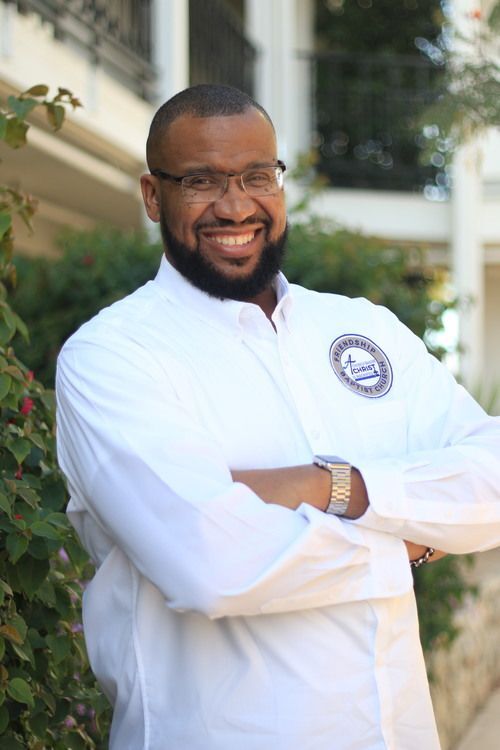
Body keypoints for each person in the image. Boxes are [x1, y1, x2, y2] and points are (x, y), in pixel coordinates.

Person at [55, 83, 500, 750]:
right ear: (153, 195)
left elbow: (491, 474)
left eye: (257, 176)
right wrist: (410, 535)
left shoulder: (361, 327)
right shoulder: (113, 356)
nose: (236, 205)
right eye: (201, 180)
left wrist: (327, 486)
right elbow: (211, 563)